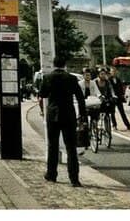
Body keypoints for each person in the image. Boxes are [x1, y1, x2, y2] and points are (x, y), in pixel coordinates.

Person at [38, 56, 87, 187]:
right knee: (71, 147)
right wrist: (82, 115)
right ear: (65, 65)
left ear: (54, 65)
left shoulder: (48, 77)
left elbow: (42, 94)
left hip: (53, 114)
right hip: (68, 114)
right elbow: (80, 98)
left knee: (52, 145)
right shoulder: (72, 78)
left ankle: (51, 174)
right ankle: (74, 179)